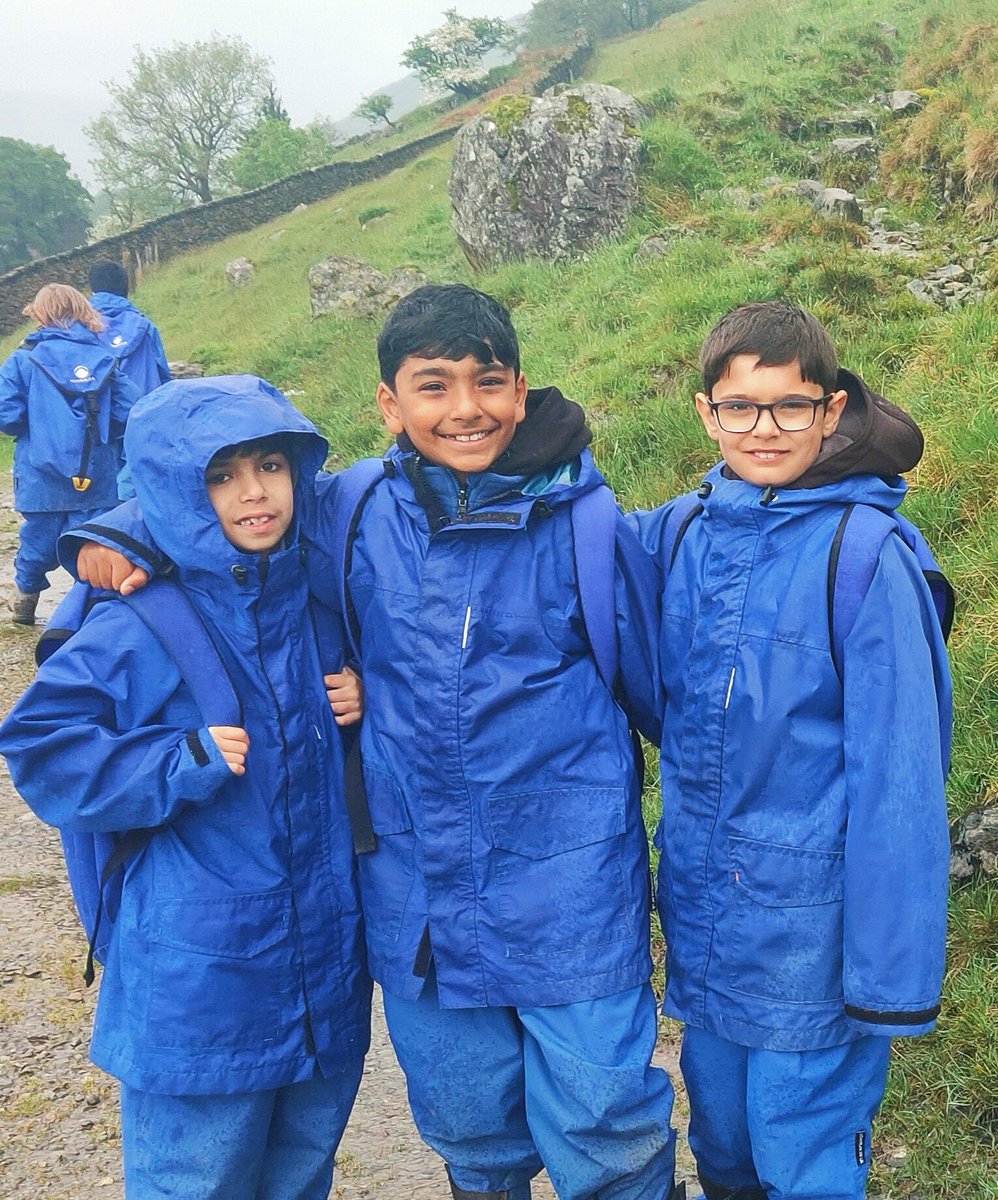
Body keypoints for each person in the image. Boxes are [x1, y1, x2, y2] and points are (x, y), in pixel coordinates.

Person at [62, 285, 681, 1200]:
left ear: (520, 391)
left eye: (488, 382)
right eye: (432, 387)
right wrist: (110, 535)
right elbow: (221, 504)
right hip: (416, 892)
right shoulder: (344, 510)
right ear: (389, 405)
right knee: (470, 1125)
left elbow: (660, 695)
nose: (463, 409)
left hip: (570, 890)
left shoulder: (588, 524)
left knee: (607, 1120)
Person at [0, 375, 372, 1200]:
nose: (253, 493)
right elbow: (41, 743)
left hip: (322, 971)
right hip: (197, 987)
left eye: (271, 465)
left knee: (300, 1170)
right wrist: (178, 762)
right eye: (219, 475)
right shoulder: (141, 619)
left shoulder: (311, 599)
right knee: (193, 1182)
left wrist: (362, 699)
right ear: (173, 486)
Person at [629, 301, 952, 1200]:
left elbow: (901, 783)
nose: (764, 428)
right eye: (740, 406)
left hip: (815, 954)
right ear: (706, 413)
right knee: (724, 1150)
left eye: (789, 406)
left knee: (800, 1158)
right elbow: (563, 579)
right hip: (707, 931)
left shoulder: (866, 555)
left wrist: (886, 978)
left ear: (833, 408)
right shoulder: (687, 533)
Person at [0, 283, 141, 625]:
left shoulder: (22, 361)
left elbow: (8, 418)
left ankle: (25, 603)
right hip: (97, 476)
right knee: (91, 545)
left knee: (37, 542)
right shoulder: (106, 360)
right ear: (83, 313)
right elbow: (131, 411)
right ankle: (89, 614)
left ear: (40, 314)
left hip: (40, 477)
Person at [89, 260, 171, 394]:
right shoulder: (145, 326)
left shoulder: (80, 328)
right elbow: (163, 373)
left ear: (93, 292)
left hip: (102, 411)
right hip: (145, 406)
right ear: (126, 289)